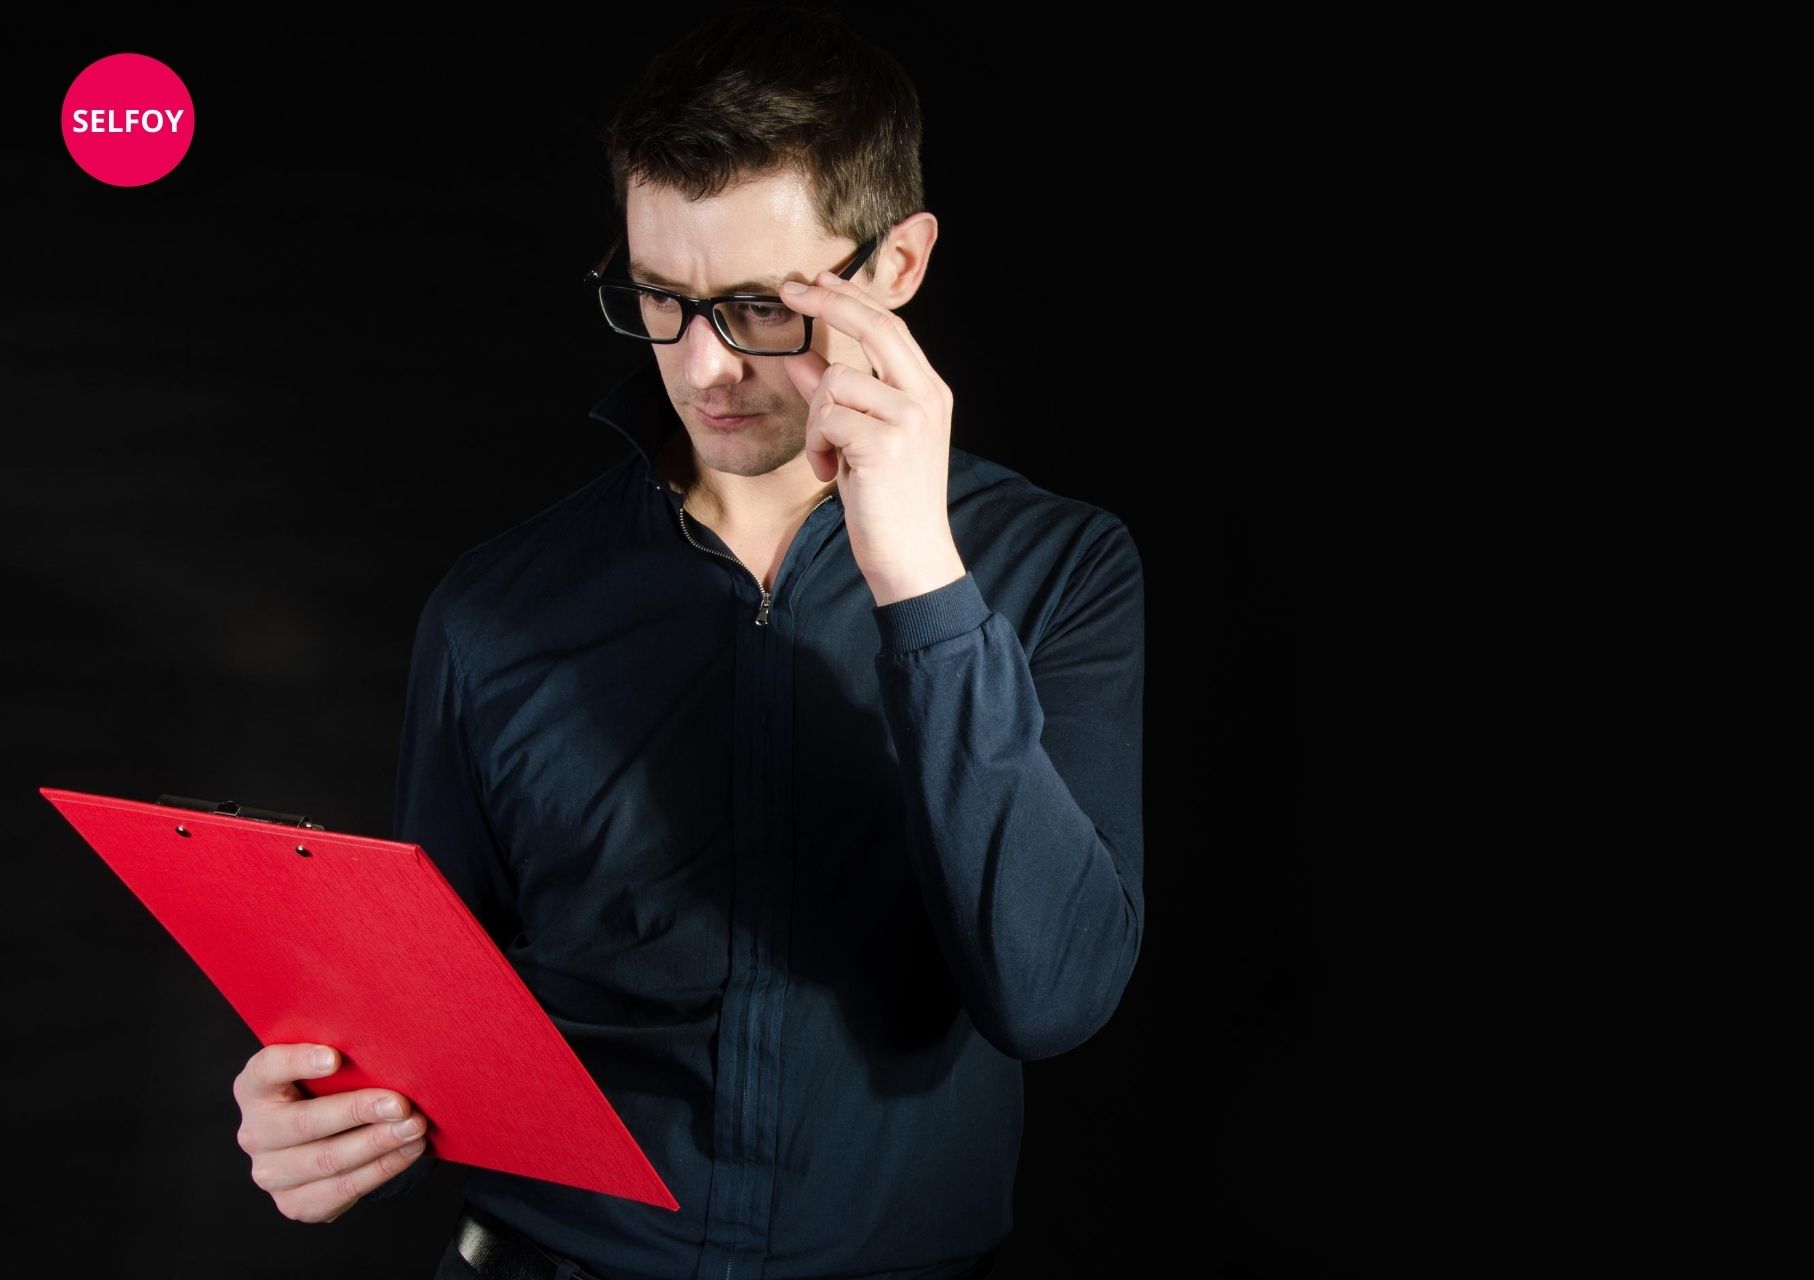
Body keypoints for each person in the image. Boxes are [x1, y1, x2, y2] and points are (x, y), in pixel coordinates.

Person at [230, 6, 1145, 1278]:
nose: (706, 364)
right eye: (662, 297)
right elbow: (426, 1022)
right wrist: (317, 1116)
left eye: (764, 306)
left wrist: (920, 581)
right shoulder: (497, 607)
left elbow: (1050, 994)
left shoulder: (1063, 571)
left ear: (898, 267)